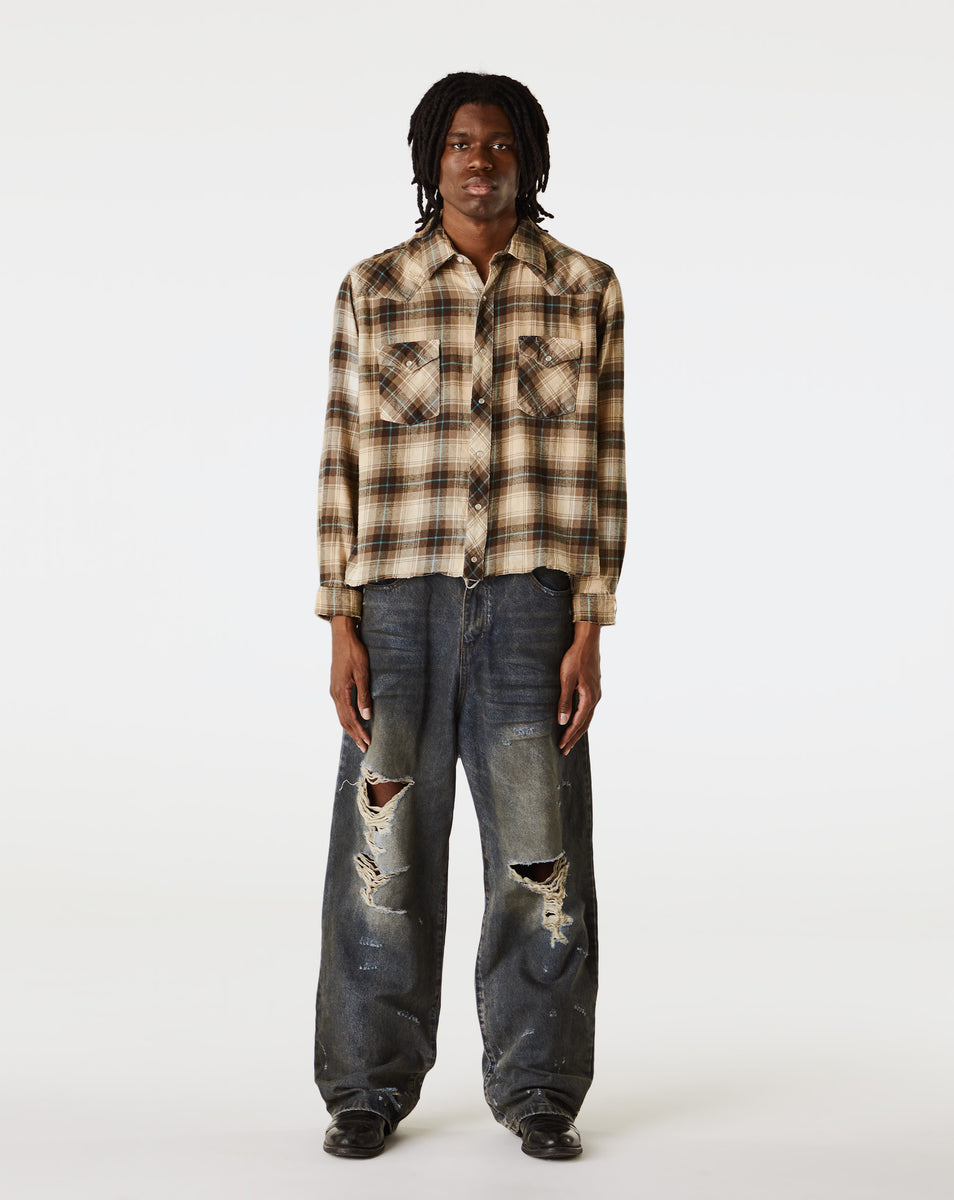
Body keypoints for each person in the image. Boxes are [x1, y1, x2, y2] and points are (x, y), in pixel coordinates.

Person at [313, 71, 625, 1160]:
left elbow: (606, 463)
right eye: (458, 143)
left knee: (542, 855)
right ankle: (365, 1087)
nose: (478, 160)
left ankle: (540, 1087)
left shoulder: (585, 290)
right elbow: (341, 457)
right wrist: (340, 620)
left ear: (526, 159)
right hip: (397, 608)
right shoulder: (374, 288)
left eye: (497, 143)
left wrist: (592, 621)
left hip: (536, 605)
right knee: (384, 850)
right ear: (429, 160)